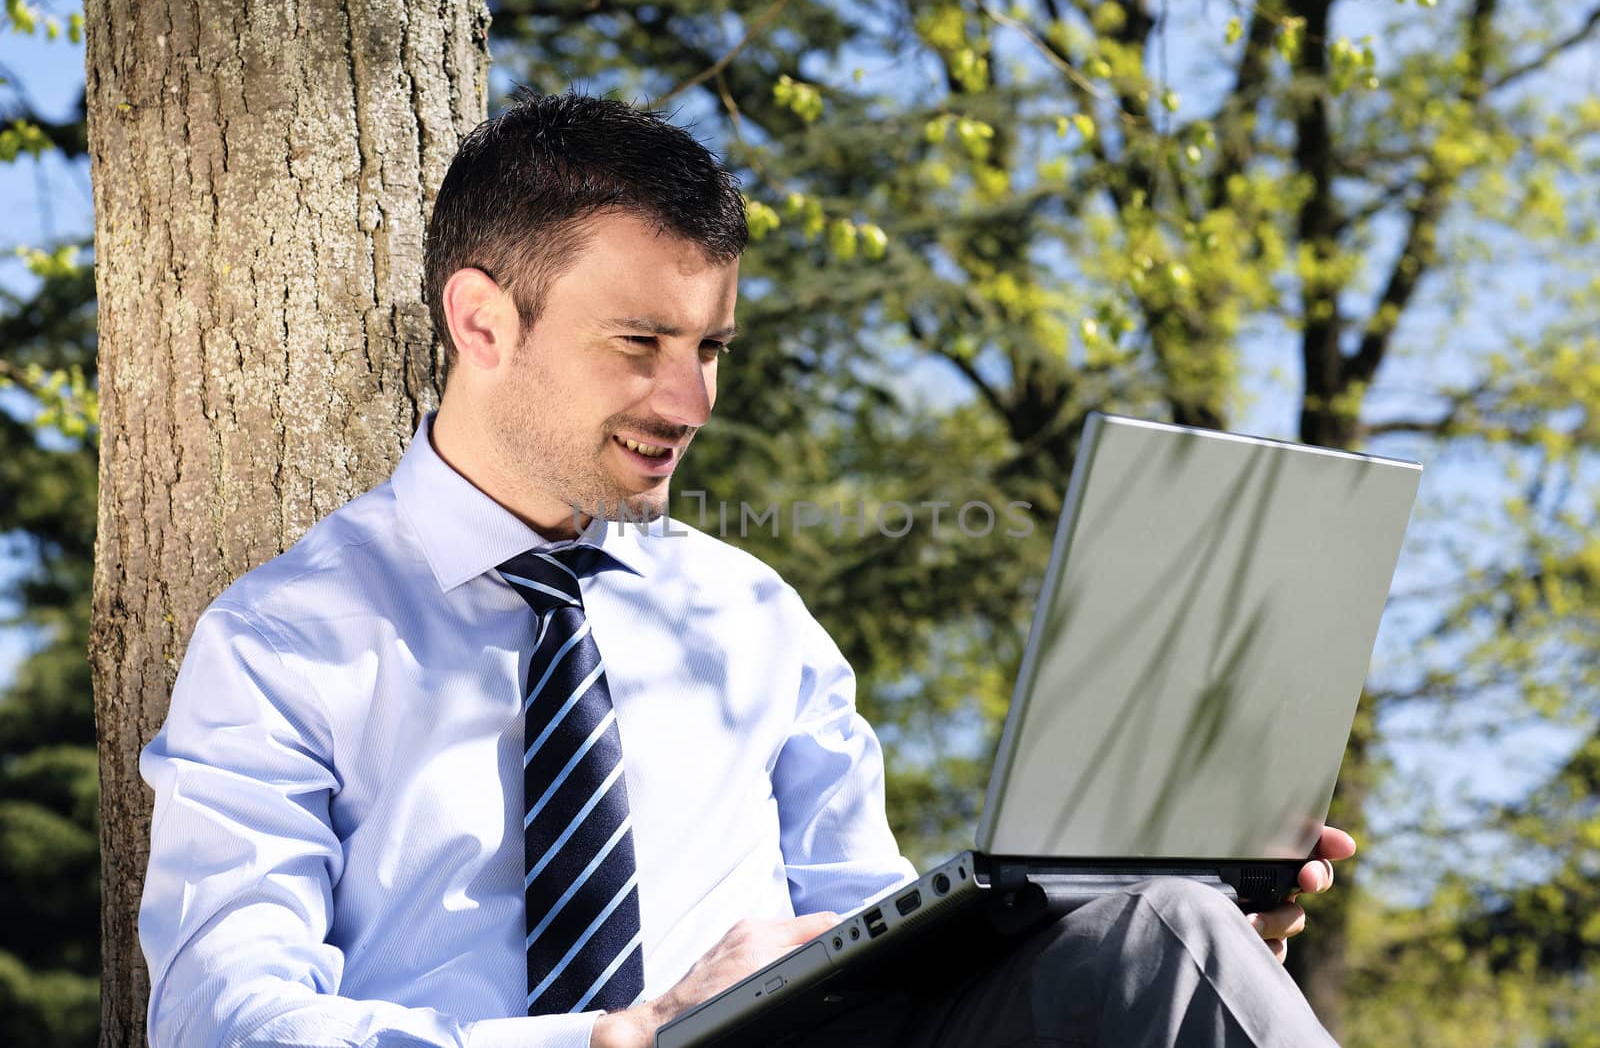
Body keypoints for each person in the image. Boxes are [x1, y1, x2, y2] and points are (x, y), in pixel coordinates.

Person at [138, 91, 1351, 1048]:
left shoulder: (751, 615)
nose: (693, 399)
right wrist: (602, 1040)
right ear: (482, 322)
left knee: (1166, 928)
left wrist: (1191, 940)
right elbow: (224, 1016)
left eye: (711, 345)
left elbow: (875, 940)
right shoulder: (284, 641)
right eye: (642, 343)